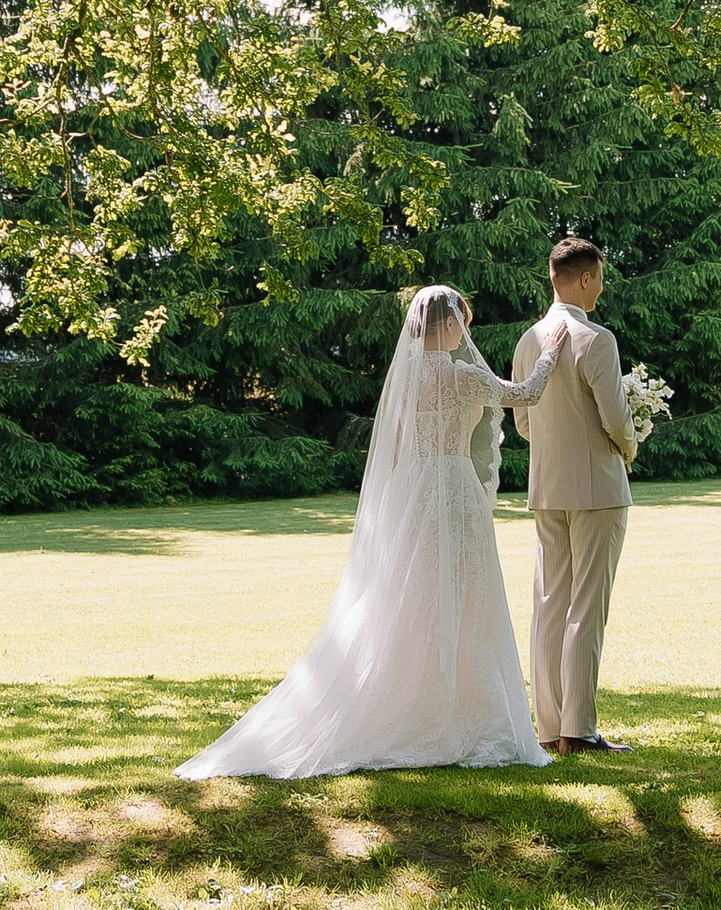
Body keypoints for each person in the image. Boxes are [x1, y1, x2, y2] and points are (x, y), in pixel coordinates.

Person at [176, 286, 566, 778]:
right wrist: (550, 354)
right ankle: (459, 709)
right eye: (462, 324)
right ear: (449, 326)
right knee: (466, 594)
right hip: (452, 488)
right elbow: (524, 394)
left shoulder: (405, 379)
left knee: (412, 594)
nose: (465, 333)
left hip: (415, 490)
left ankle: (423, 696)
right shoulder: (463, 376)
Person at [512, 234, 644, 754]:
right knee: (587, 608)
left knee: (549, 604)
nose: (601, 290)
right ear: (585, 278)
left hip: (547, 486)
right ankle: (578, 730)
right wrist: (630, 447)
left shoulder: (528, 340)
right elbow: (615, 418)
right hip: (598, 488)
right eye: (600, 279)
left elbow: (523, 420)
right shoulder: (597, 339)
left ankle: (548, 729)